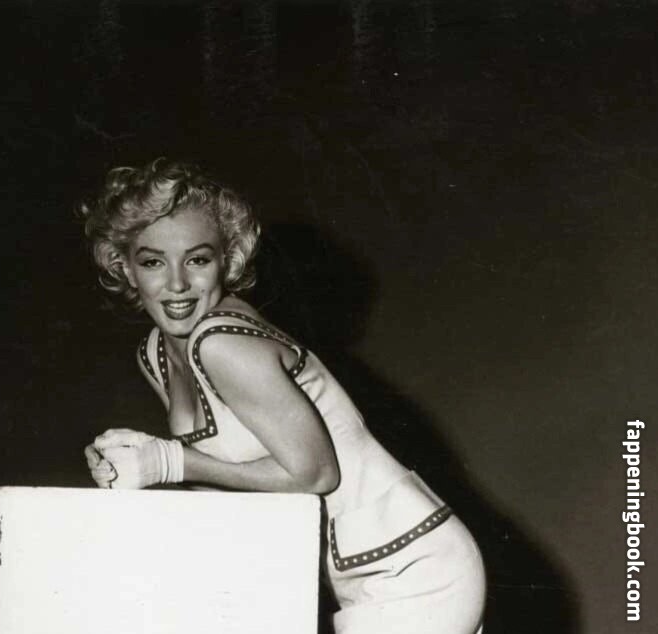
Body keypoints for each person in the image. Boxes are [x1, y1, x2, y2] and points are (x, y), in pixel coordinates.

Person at [80, 158, 486, 634]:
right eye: (153, 261)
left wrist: (168, 462)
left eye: (198, 259)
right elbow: (229, 482)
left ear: (227, 260)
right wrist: (132, 463)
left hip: (413, 568)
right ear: (124, 268)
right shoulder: (157, 353)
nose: (176, 284)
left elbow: (315, 472)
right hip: (359, 571)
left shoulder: (220, 342)